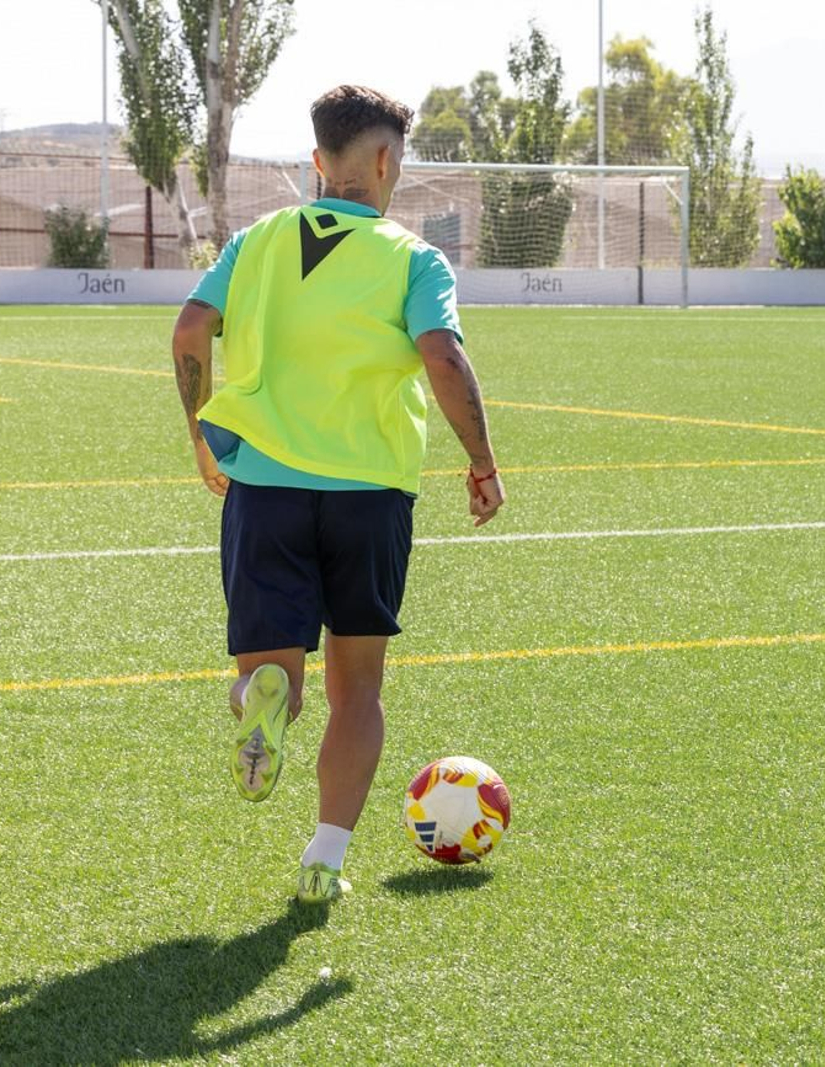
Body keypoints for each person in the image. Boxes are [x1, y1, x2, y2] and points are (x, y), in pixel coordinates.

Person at [170, 85, 504, 904]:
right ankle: (325, 858)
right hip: (369, 493)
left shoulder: (255, 241)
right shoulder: (413, 258)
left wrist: (201, 434)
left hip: (264, 486)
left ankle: (261, 699)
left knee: (270, 671)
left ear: (318, 161)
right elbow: (443, 357)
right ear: (387, 161)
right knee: (358, 689)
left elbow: (189, 329)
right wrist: (482, 459)